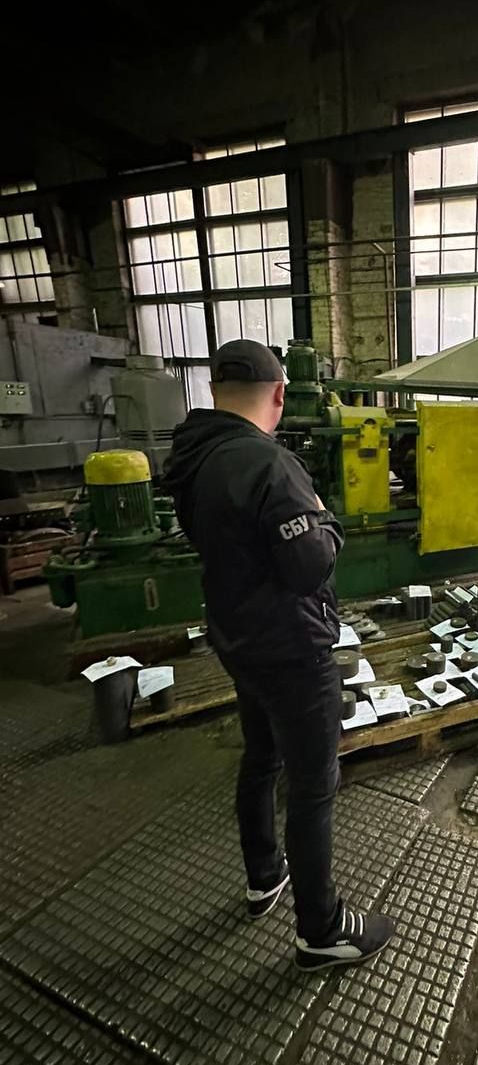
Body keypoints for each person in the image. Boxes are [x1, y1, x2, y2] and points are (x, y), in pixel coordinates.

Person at [164, 338, 395, 971]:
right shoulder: (270, 464)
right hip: (292, 649)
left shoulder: (193, 456)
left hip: (238, 638)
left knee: (262, 757)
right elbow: (308, 566)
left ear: (216, 392)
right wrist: (326, 521)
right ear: (280, 394)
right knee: (314, 786)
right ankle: (321, 930)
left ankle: (264, 874)